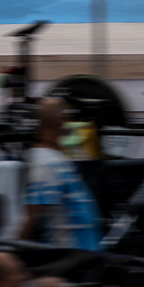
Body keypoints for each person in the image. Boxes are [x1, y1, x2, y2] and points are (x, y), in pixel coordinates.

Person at [21, 97, 102, 250]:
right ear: (59, 122)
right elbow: (32, 216)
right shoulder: (44, 163)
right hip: (71, 256)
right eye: (66, 117)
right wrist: (12, 252)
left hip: (85, 253)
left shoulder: (55, 155)